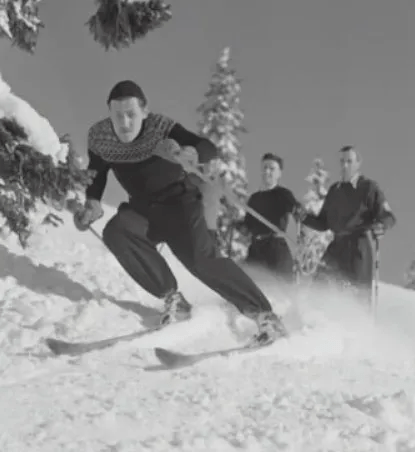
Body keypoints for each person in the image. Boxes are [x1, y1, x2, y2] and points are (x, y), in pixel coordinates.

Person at [74, 80, 287, 346]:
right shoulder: (100, 138)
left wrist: (190, 152)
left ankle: (264, 315)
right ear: (109, 113)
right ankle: (174, 300)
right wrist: (92, 202)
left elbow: (207, 146)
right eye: (117, 115)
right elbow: (97, 173)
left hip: (180, 203)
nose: (125, 122)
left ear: (145, 111)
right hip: (142, 209)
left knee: (202, 260)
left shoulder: (160, 128)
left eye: (131, 114)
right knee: (117, 231)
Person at [295, 145, 396, 302]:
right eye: (342, 161)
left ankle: (358, 323)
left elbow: (388, 215)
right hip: (337, 245)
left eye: (349, 161)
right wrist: (304, 217)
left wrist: (381, 226)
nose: (345, 165)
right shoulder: (335, 190)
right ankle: (313, 319)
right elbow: (323, 223)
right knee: (320, 285)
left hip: (359, 246)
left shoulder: (368, 187)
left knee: (356, 293)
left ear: (358, 163)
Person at [235, 153, 299, 283]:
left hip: (276, 248)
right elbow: (248, 225)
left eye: (272, 168)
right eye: (264, 168)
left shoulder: (283, 194)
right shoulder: (254, 198)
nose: (267, 171)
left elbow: (297, 209)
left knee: (282, 292)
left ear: (279, 173)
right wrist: (241, 226)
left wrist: (300, 216)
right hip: (256, 248)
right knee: (247, 284)